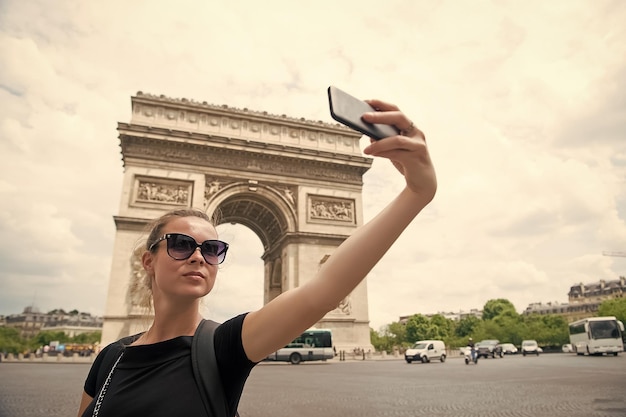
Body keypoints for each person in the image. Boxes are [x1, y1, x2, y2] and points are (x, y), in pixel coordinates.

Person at [76, 98, 437, 417]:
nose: (198, 257)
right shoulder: (110, 357)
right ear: (148, 260)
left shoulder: (223, 348)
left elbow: (324, 288)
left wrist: (417, 193)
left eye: (213, 249)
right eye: (182, 244)